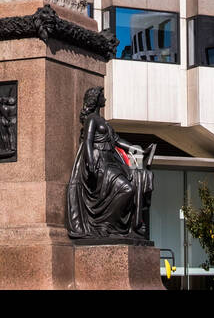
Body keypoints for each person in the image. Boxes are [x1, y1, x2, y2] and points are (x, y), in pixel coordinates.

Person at [66, 86, 155, 241]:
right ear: (96, 100)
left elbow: (117, 141)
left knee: (134, 185)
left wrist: (139, 150)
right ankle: (104, 224)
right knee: (127, 189)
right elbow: (87, 141)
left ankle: (113, 225)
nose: (105, 99)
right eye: (102, 96)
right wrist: (90, 161)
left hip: (112, 161)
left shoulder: (104, 122)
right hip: (100, 161)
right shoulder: (91, 119)